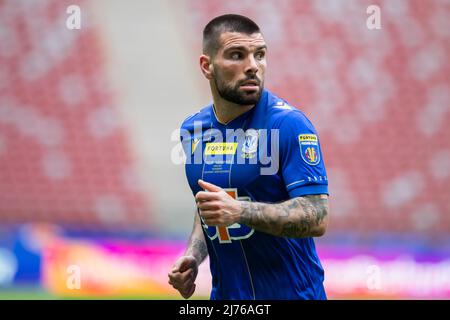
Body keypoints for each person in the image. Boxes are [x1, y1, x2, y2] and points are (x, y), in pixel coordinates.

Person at [168, 14, 330, 300]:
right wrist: (193, 255)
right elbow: (210, 202)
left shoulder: (288, 125)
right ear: (207, 66)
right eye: (236, 55)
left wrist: (240, 212)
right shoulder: (192, 131)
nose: (253, 66)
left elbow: (317, 215)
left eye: (260, 55)